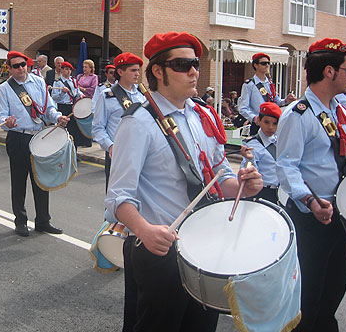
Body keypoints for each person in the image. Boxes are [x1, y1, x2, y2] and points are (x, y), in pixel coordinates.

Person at [106, 32, 262, 332]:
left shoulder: (202, 115)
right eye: (182, 64)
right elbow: (118, 197)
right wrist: (145, 230)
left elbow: (219, 175)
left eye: (195, 64)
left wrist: (244, 184)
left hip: (204, 245)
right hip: (160, 250)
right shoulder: (137, 123)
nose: (193, 71)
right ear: (158, 71)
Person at [276, 38, 346, 331]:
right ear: (329, 71)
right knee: (307, 298)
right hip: (312, 217)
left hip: (339, 214)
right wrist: (310, 200)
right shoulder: (297, 115)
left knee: (332, 292)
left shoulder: (338, 109)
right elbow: (286, 167)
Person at [0, 51, 69, 237]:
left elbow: (48, 107)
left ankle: (43, 220)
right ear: (9, 69)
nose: (20, 68)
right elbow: (0, 114)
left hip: (40, 136)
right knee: (19, 181)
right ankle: (20, 221)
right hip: (19, 137)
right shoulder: (4, 88)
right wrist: (6, 121)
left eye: (23, 64)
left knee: (41, 180)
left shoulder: (38, 82)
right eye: (16, 66)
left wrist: (57, 116)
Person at [92, 53, 146, 191]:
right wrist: (110, 146)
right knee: (115, 197)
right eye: (133, 70)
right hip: (117, 153)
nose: (137, 74)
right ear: (120, 72)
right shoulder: (107, 96)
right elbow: (98, 127)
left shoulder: (141, 95)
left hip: (139, 151)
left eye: (138, 70)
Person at [238, 52, 296, 134]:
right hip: (259, 124)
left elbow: (276, 102)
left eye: (268, 63)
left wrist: (286, 100)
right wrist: (254, 118)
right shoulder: (249, 85)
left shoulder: (269, 84)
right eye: (263, 63)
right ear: (256, 65)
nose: (267, 65)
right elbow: (242, 108)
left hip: (273, 123)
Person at [239, 101, 281, 202]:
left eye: (275, 123)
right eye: (266, 122)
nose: (270, 127)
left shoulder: (281, 143)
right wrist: (250, 159)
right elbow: (248, 172)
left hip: (282, 194)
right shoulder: (251, 144)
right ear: (259, 121)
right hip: (262, 193)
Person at [51, 61, 89, 148]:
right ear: (62, 70)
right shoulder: (58, 82)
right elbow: (54, 97)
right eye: (66, 69)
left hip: (73, 106)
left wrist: (81, 95)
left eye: (70, 70)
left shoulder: (73, 80)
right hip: (63, 107)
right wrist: (62, 93)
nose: (69, 71)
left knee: (74, 131)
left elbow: (76, 91)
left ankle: (73, 152)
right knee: (63, 130)